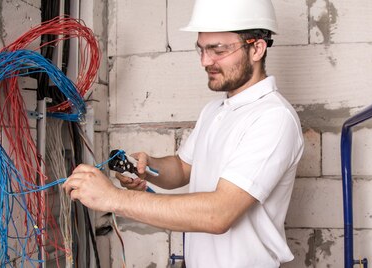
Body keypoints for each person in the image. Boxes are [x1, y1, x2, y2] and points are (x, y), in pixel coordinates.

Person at [62, 0, 304, 267]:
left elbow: (219, 214)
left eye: (218, 49)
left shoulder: (273, 118)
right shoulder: (216, 110)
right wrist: (148, 165)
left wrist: (113, 198)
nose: (205, 61)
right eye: (201, 49)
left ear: (257, 48)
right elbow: (183, 167)